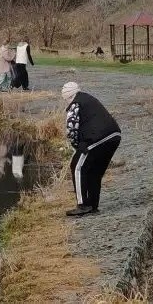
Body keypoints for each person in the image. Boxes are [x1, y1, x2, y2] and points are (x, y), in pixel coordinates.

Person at [62, 82, 121, 217]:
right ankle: (93, 206)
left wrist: (77, 146)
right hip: (114, 135)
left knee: (77, 166)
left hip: (97, 137)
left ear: (68, 96)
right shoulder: (88, 99)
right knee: (94, 172)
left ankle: (83, 205)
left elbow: (71, 127)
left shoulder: (75, 103)